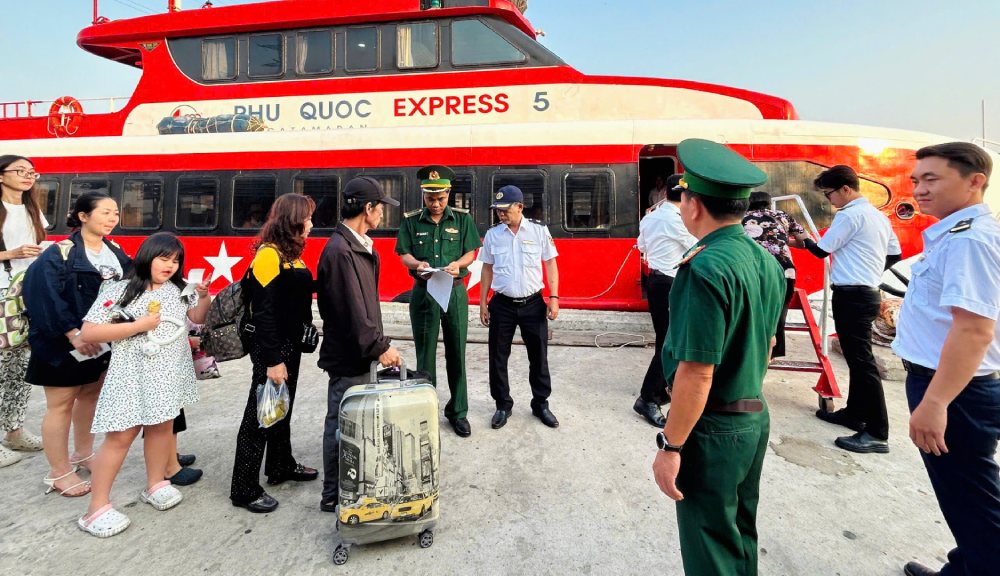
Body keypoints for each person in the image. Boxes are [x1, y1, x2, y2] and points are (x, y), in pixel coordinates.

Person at [651, 138, 785, 576]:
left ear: (692, 204)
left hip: (713, 430)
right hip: (753, 417)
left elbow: (696, 373)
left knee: (709, 544)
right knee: (738, 532)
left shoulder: (703, 268)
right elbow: (766, 344)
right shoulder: (763, 260)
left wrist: (671, 446)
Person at [891, 142, 1000, 576]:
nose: (918, 189)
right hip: (950, 385)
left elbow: (974, 329)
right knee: (963, 496)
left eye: (932, 179)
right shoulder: (955, 234)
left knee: (973, 502)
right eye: (916, 180)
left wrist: (935, 403)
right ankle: (964, 567)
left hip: (955, 392)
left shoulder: (970, 241)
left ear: (975, 182)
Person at [76, 232, 210, 538]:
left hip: (168, 375)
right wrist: (138, 326)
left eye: (176, 260)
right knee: (120, 438)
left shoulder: (180, 289)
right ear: (147, 256)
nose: (170, 266)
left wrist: (203, 295)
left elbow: (198, 318)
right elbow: (90, 333)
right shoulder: (120, 289)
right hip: (131, 378)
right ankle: (96, 507)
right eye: (164, 258)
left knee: (162, 428)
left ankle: (156, 483)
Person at [22, 192, 131, 496]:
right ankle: (59, 472)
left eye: (116, 214)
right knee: (61, 404)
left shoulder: (116, 251)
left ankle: (83, 454)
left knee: (90, 394)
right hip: (63, 343)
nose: (112, 219)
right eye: (105, 213)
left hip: (99, 341)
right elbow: (43, 297)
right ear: (83, 216)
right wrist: (72, 333)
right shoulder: (59, 254)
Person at [802, 165, 902, 453]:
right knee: (858, 358)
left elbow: (821, 250)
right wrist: (870, 272)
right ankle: (856, 414)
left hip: (851, 296)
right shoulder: (877, 216)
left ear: (846, 189)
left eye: (829, 194)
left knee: (862, 362)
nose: (829, 200)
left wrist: (802, 241)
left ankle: (877, 432)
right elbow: (895, 252)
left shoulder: (849, 215)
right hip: (867, 292)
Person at [317, 176, 402, 513]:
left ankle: (351, 487)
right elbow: (352, 311)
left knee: (354, 424)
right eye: (379, 207)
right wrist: (380, 347)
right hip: (350, 356)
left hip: (360, 353)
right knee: (340, 424)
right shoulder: (340, 252)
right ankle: (332, 495)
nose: (382, 213)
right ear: (367, 209)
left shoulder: (359, 246)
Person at [230, 193, 319, 513]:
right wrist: (272, 361)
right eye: (307, 217)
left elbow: (293, 293)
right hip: (273, 347)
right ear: (292, 220)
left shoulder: (291, 254)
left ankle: (281, 465)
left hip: (289, 344)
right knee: (259, 417)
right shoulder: (268, 256)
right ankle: (243, 488)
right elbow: (264, 313)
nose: (311, 223)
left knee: (280, 408)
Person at [396, 165, 481, 437]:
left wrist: (459, 264)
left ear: (449, 194)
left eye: (441, 198)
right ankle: (425, 411)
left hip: (454, 291)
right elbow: (403, 254)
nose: (436, 204)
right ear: (423, 195)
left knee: (457, 352)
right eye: (430, 198)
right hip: (424, 291)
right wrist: (417, 264)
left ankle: (458, 412)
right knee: (425, 354)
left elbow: (471, 252)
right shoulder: (411, 221)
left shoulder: (462, 220)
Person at [478, 185, 560, 430]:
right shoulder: (493, 235)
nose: (501, 214)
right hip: (501, 304)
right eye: (498, 211)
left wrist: (553, 297)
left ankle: (541, 403)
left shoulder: (538, 231)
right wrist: (483, 302)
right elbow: (486, 269)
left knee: (539, 356)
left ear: (519, 207)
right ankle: (503, 404)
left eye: (505, 210)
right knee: (498, 356)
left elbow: (550, 264)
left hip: (533, 304)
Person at [634, 173, 696, 427]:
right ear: (684, 195)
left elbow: (641, 246)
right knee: (669, 344)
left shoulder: (651, 216)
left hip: (657, 281)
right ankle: (647, 398)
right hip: (672, 283)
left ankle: (660, 391)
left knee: (667, 340)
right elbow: (698, 245)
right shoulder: (678, 220)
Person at [0, 155, 47, 468]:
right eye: (20, 170)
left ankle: (14, 429)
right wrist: (10, 253)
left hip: (27, 292)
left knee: (21, 366)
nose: (28, 176)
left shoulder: (33, 209)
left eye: (32, 171)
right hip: (2, 294)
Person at [742, 190, 809, 358]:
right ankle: (772, 352)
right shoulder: (782, 215)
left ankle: (752, 352)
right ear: (769, 203)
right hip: (785, 268)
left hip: (756, 269)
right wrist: (783, 240)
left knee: (754, 310)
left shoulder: (742, 218)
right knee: (780, 311)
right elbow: (804, 240)